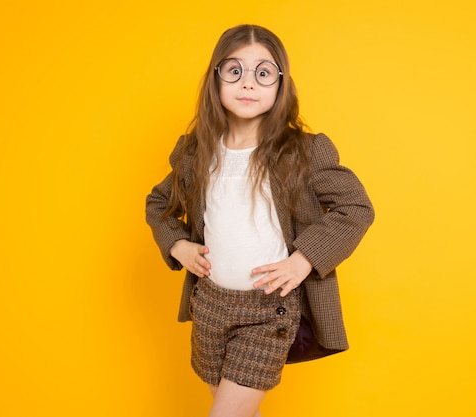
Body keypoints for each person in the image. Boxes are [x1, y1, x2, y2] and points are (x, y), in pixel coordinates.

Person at [146, 24, 374, 417]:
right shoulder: (194, 152)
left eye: (263, 73)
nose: (248, 83)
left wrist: (303, 259)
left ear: (280, 84)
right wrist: (178, 245)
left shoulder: (304, 151)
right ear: (215, 79)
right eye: (234, 71)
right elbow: (158, 203)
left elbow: (355, 207)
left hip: (270, 311)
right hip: (210, 305)